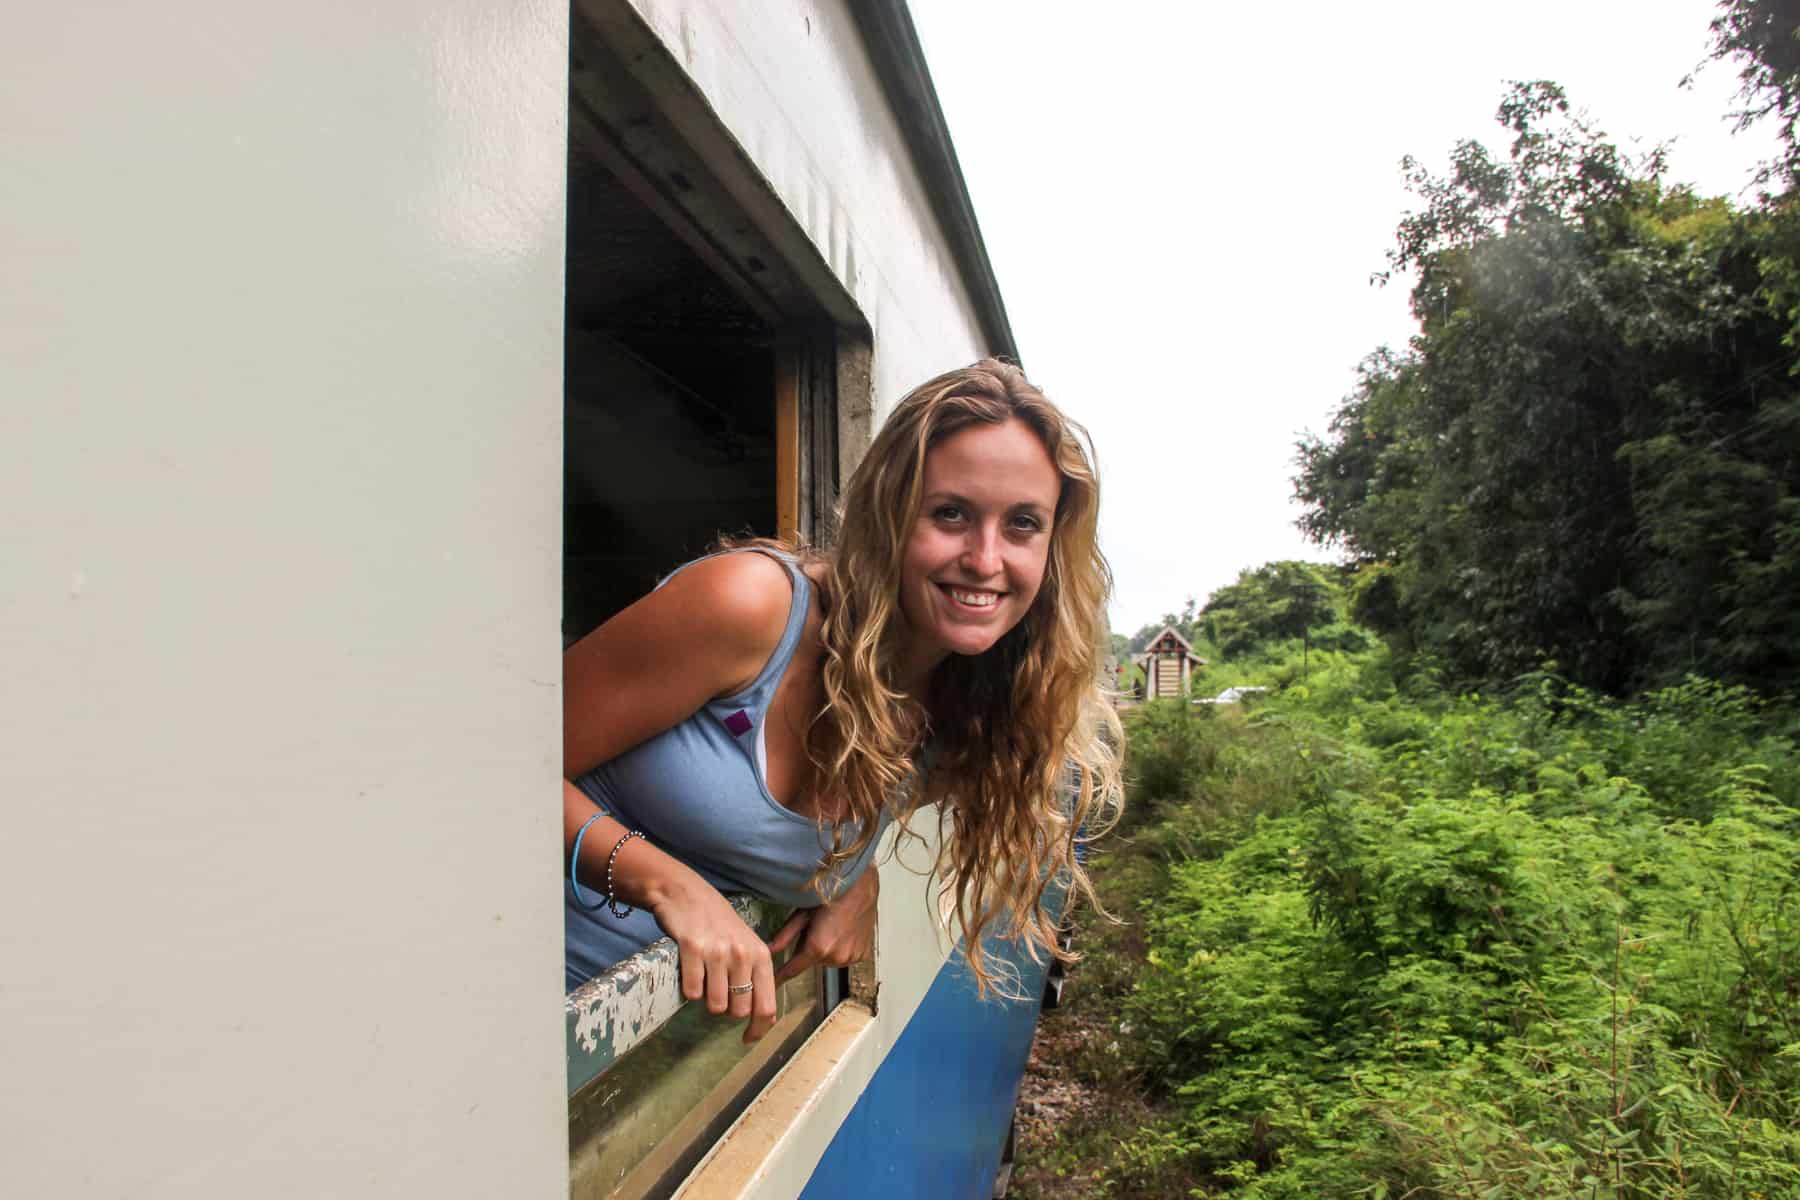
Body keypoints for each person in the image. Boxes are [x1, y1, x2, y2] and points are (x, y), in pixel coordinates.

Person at [562, 358, 1123, 1042]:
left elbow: (790, 834)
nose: (984, 559)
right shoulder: (751, 609)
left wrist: (853, 877)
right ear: (887, 513)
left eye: (1023, 525)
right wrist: (666, 884)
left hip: (628, 1074)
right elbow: (489, 765)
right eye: (950, 514)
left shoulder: (961, 714)